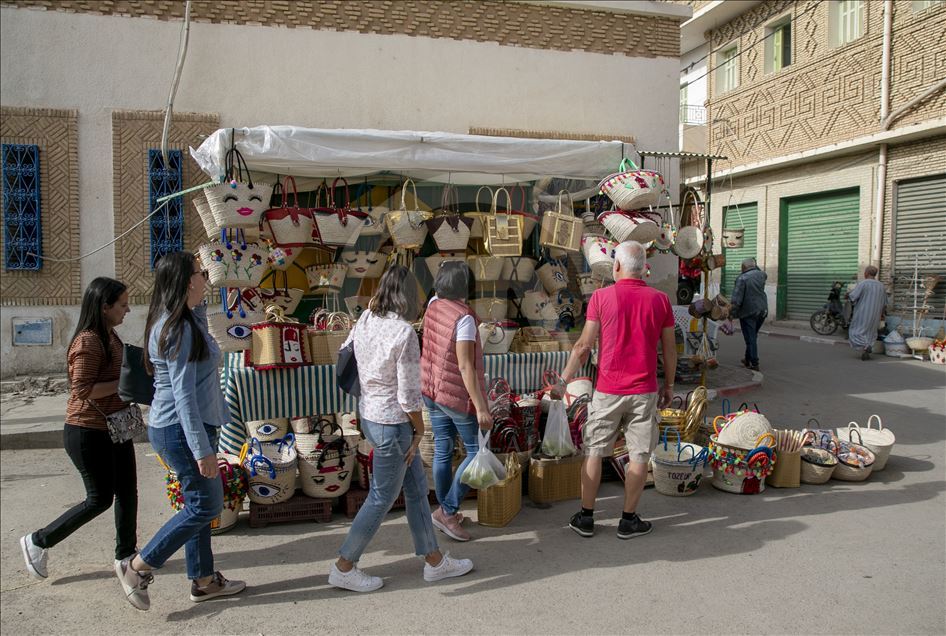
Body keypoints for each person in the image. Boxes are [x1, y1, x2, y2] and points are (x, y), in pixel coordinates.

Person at [330, 265, 473, 592]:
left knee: (415, 490)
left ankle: (434, 560)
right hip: (394, 423)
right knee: (382, 496)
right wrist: (419, 431)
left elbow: (346, 350)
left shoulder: (366, 319)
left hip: (371, 413)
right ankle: (344, 564)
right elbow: (409, 394)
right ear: (409, 296)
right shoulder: (404, 333)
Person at [114, 251, 244, 611]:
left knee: (199, 503)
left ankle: (203, 580)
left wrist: (200, 299)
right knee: (207, 504)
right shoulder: (179, 328)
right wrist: (202, 450)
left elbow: (203, 327)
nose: (207, 277)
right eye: (202, 273)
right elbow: (184, 396)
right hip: (182, 428)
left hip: (186, 425)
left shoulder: (185, 320)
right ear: (188, 281)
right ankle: (138, 566)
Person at [20, 277, 135, 580]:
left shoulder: (111, 336)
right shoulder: (88, 340)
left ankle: (127, 555)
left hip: (115, 428)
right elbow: (83, 389)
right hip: (88, 430)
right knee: (99, 499)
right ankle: (38, 540)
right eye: (122, 304)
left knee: (128, 492)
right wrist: (126, 385)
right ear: (104, 306)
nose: (128, 310)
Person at [559, 241, 676, 539]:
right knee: (638, 455)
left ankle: (586, 517)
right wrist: (670, 386)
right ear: (644, 270)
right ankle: (628, 519)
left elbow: (584, 346)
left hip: (608, 390)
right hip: (644, 391)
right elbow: (670, 351)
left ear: (617, 267)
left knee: (595, 451)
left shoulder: (600, 297)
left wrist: (564, 380)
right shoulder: (661, 300)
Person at [421, 261, 492, 542]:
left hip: (431, 390)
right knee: (476, 452)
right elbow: (465, 367)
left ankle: (444, 509)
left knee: (443, 450)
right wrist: (482, 407)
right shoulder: (463, 318)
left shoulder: (433, 304)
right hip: (455, 396)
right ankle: (447, 512)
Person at [731, 257, 768, 371]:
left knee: (750, 337)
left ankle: (754, 362)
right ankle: (747, 359)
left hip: (748, 312)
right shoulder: (762, 275)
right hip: (762, 310)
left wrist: (731, 314)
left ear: (744, 267)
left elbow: (736, 300)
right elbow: (759, 270)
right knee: (752, 336)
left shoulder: (742, 279)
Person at [847, 265, 886, 360]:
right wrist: (882, 314)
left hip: (863, 313)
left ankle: (864, 346)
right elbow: (884, 302)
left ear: (866, 273)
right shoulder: (881, 285)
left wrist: (848, 294)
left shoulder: (863, 283)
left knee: (855, 331)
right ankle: (866, 349)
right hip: (875, 314)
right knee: (870, 333)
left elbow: (853, 296)